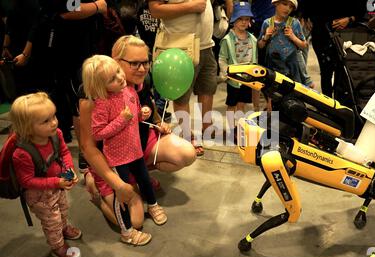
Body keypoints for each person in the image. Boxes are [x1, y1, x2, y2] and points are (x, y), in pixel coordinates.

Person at [79, 35, 196, 244]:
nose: (142, 69)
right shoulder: (93, 94)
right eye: (134, 63)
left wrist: (158, 121)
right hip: (110, 159)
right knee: (136, 220)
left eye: (145, 62)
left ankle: (138, 180)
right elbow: (89, 146)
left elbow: (146, 106)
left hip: (136, 146)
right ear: (115, 60)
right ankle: (96, 187)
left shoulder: (139, 82)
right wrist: (115, 183)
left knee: (186, 153)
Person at [10, 92, 81, 257]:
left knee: (63, 209)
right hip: (39, 195)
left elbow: (64, 153)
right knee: (51, 222)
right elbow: (26, 181)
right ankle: (58, 247)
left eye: (53, 116)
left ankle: (63, 228)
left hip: (57, 185)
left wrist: (69, 171)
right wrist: (57, 181)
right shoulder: (22, 153)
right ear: (27, 127)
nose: (54, 122)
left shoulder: (55, 135)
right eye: (45, 121)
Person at [149, 0, 218, 156]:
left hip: (206, 44)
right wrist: (191, 7)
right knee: (181, 95)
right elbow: (155, 10)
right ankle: (187, 135)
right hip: (180, 46)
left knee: (208, 88)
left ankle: (207, 126)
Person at [299, 0, 366, 96]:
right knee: (326, 72)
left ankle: (341, 103)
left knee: (343, 71)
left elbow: (362, 10)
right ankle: (328, 105)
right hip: (321, 31)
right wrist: (305, 16)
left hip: (346, 34)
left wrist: (350, 19)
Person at [219, 1, 258, 137]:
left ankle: (240, 128)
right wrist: (227, 73)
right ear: (234, 19)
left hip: (247, 78)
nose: (243, 22)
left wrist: (254, 75)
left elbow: (255, 59)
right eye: (240, 19)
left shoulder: (252, 39)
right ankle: (231, 129)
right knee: (232, 104)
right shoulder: (227, 40)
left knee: (242, 104)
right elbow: (222, 59)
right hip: (234, 79)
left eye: (246, 19)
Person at [258, 0, 306, 84]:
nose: (287, 8)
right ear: (276, 3)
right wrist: (265, 37)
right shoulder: (267, 23)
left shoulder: (294, 23)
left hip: (291, 68)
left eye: (291, 7)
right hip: (273, 66)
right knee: (274, 92)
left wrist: (293, 37)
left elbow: (304, 45)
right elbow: (260, 46)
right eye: (285, 4)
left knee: (293, 93)